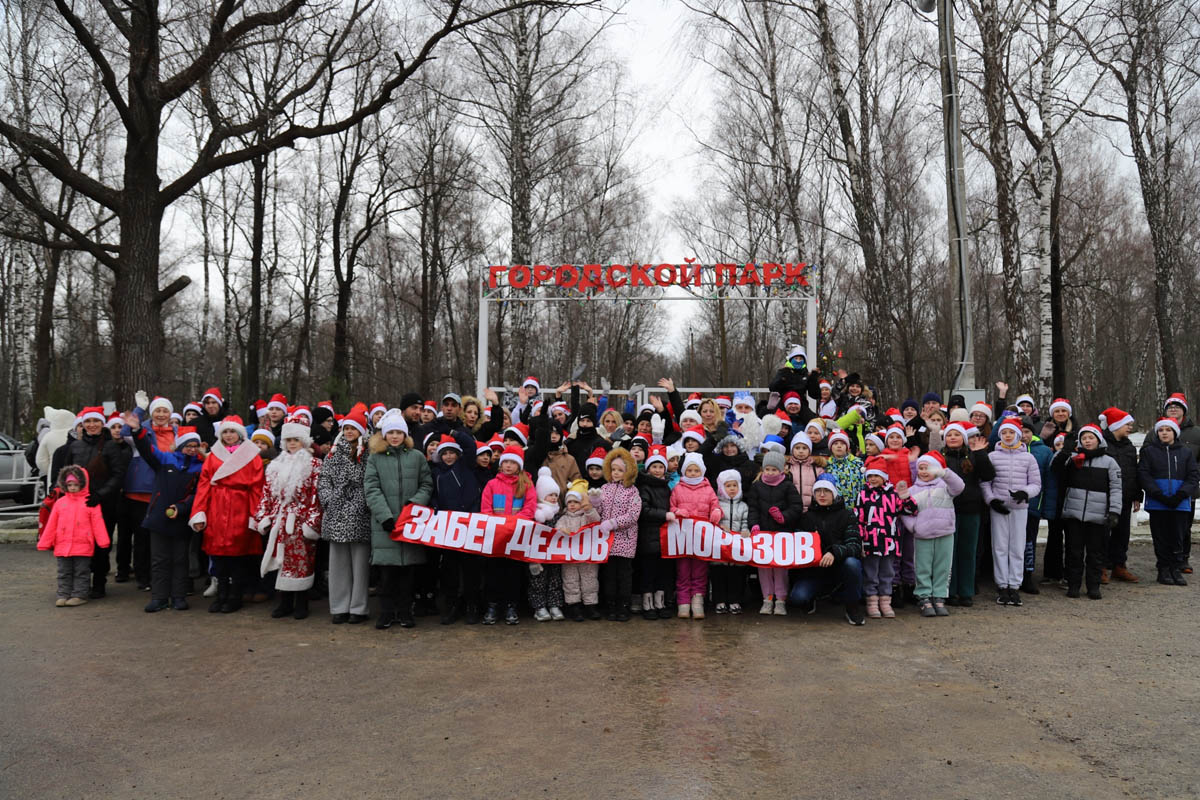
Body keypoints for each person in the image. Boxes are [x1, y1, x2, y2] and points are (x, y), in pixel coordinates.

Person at [127, 416, 204, 612]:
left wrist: (182, 507)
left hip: (182, 519)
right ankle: (159, 597)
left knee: (180, 559)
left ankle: (178, 597)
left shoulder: (201, 468)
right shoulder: (165, 460)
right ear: (180, 446)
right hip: (159, 517)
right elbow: (147, 450)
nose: (192, 449)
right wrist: (137, 431)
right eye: (188, 445)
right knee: (159, 560)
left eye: (195, 446)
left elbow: (198, 494)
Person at [189, 415, 265, 614]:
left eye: (232, 431)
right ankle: (222, 594)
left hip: (240, 506)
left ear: (240, 434)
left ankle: (235, 596)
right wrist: (199, 512)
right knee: (218, 555)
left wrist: (255, 515)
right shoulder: (213, 455)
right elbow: (204, 485)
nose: (229, 435)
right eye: (225, 432)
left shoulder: (252, 455)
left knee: (238, 556)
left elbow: (257, 487)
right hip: (217, 507)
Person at [365, 411, 433, 629]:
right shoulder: (375, 458)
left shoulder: (417, 457)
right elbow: (372, 489)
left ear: (405, 434)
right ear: (384, 434)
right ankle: (386, 613)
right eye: (391, 432)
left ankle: (405, 612)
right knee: (386, 574)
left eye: (399, 432)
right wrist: (385, 517)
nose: (395, 436)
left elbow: (426, 484)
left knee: (407, 575)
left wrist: (414, 505)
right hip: (385, 526)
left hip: (410, 523)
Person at [62, 406, 129, 599]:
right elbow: (66, 473)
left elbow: (118, 475)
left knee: (101, 545)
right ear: (83, 424)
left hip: (103, 504)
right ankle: (80, 583)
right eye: (88, 422)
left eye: (96, 421)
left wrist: (101, 494)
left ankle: (99, 582)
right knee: (80, 544)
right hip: (78, 505)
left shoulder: (111, 446)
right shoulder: (75, 447)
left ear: (102, 424)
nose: (92, 425)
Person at [1052, 424, 1122, 599]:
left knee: (1095, 553)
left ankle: (1093, 586)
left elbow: (1116, 488)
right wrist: (1065, 451)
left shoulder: (1109, 462)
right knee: (1073, 552)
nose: (1087, 441)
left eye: (1091, 438)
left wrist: (1114, 511)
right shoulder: (1073, 458)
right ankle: (1073, 585)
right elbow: (1055, 468)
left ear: (1099, 440)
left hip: (1098, 516)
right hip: (1074, 514)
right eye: (1084, 438)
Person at [317, 407, 373, 625]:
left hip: (360, 513)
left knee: (360, 566)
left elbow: (370, 480)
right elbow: (324, 478)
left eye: (353, 428)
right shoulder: (333, 452)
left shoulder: (368, 453)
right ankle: (339, 607)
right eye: (346, 428)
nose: (349, 432)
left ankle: (358, 607)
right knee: (338, 564)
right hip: (336, 512)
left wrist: (362, 503)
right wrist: (328, 499)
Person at [981, 417, 1041, 607]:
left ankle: (1014, 585)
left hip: (1019, 508)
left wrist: (1026, 493)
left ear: (1018, 435)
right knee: (999, 546)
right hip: (999, 508)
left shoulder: (1028, 458)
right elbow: (985, 483)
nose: (1008, 436)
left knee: (1017, 546)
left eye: (1011, 432)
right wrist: (991, 500)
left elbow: (1036, 483)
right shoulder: (992, 456)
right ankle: (1002, 585)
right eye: (1004, 433)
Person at [429, 430, 486, 624]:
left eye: (452, 452)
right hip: (449, 528)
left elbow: (470, 444)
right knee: (450, 570)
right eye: (444, 453)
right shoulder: (436, 473)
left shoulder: (466, 465)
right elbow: (433, 494)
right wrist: (435, 507)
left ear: (458, 454)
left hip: (469, 524)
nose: (448, 456)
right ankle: (452, 606)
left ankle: (472, 605)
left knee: (471, 569)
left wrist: (453, 432)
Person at [37, 466, 111, 607]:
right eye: (69, 485)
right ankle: (63, 594)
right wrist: (45, 542)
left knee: (81, 572)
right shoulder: (60, 503)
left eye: (76, 485)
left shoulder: (90, 503)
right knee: (63, 572)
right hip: (62, 545)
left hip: (83, 545)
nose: (72, 487)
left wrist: (103, 541)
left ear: (83, 484)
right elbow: (52, 524)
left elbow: (98, 523)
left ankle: (80, 595)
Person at [1138, 417, 1199, 586]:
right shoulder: (1149, 452)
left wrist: (1181, 494)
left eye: (1168, 430)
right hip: (1158, 502)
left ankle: (1175, 568)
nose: (1164, 433)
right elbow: (1144, 474)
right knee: (1161, 537)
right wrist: (1157, 494)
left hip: (1180, 502)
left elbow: (1193, 476)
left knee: (1178, 536)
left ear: (1175, 433)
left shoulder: (1186, 452)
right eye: (1161, 430)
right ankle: (1163, 569)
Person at [902, 451, 965, 617]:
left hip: (945, 532)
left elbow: (959, 486)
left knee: (943, 567)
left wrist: (944, 473)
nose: (924, 472)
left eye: (928, 468)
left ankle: (939, 596)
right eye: (921, 468)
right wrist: (914, 527)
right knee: (922, 567)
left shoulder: (945, 487)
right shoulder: (912, 491)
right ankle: (924, 597)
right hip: (922, 535)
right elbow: (905, 512)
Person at [480, 445, 536, 625]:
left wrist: (512, 524)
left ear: (519, 466)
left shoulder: (526, 485)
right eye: (506, 462)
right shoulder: (492, 484)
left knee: (513, 573)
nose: (509, 466)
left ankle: (511, 606)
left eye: (513, 462)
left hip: (515, 537)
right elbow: (486, 509)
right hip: (496, 537)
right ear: (501, 464)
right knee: (493, 572)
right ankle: (493, 606)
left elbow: (529, 509)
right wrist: (498, 526)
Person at [855, 456, 916, 620]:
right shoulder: (863, 494)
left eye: (877, 475)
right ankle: (871, 601)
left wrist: (905, 496)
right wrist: (861, 540)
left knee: (887, 572)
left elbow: (911, 510)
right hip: (870, 542)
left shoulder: (893, 494)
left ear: (884, 477)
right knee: (871, 573)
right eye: (870, 476)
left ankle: (885, 601)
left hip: (889, 542)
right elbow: (858, 519)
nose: (873, 479)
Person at [745, 448, 804, 616]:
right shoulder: (757, 486)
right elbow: (753, 508)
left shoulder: (788, 486)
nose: (770, 473)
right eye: (767, 469)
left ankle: (780, 599)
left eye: (774, 469)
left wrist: (783, 517)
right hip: (763, 534)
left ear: (782, 470)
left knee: (780, 568)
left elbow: (796, 507)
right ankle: (767, 598)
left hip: (781, 535)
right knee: (763, 567)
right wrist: (754, 525)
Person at [942, 422, 993, 606]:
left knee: (968, 551)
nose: (953, 438)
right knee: (950, 552)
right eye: (949, 435)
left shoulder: (973, 455)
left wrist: (980, 454)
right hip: (948, 509)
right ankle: (950, 591)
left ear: (963, 438)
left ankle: (966, 591)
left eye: (957, 435)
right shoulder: (940, 457)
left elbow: (988, 475)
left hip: (971, 509)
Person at [670, 452, 722, 619]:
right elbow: (671, 507)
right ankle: (683, 602)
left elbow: (715, 505)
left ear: (702, 471)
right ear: (684, 471)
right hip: (682, 538)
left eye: (696, 470)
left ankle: (697, 601)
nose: (693, 474)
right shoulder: (677, 488)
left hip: (701, 538)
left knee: (700, 570)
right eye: (690, 470)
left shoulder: (708, 489)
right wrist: (677, 511)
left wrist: (716, 512)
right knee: (683, 570)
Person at [594, 448, 642, 621]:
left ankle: (623, 606)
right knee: (609, 575)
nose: (615, 473)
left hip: (625, 540)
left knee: (624, 575)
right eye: (613, 469)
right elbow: (599, 512)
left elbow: (633, 515)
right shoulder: (604, 488)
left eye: (620, 470)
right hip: (607, 541)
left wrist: (613, 523)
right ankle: (611, 605)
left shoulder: (632, 491)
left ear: (628, 471)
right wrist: (595, 503)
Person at [1098, 408, 1140, 583]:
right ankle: (1100, 567)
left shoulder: (1129, 446)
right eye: (1127, 424)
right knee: (1102, 534)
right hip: (1105, 497)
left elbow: (1134, 472)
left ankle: (1119, 566)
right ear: (1116, 425)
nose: (1130, 428)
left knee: (1122, 534)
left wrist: (1137, 495)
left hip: (1126, 496)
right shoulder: (1101, 444)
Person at [635, 445, 675, 620]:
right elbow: (643, 510)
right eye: (654, 467)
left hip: (664, 537)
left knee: (663, 571)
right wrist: (664, 515)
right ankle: (647, 603)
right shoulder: (644, 487)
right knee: (648, 571)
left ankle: (660, 602)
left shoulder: (666, 487)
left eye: (660, 467)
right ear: (648, 468)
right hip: (648, 535)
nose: (657, 470)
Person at [1163, 394, 1200, 572]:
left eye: (1177, 406)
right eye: (1170, 407)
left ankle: (1183, 559)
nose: (1173, 409)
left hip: (1187, 488)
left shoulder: (1196, 433)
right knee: (1164, 526)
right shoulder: (1159, 430)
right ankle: (1165, 559)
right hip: (1163, 488)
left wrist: (1193, 474)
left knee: (1184, 526)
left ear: (1184, 410)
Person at [558, 480, 602, 621]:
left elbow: (596, 521)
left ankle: (591, 606)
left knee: (589, 580)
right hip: (569, 557)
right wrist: (561, 530)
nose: (572, 505)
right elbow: (556, 531)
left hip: (587, 556)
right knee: (570, 581)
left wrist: (588, 508)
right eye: (569, 502)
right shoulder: (563, 518)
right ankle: (574, 607)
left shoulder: (587, 516)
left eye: (576, 502)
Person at [529, 467, 565, 622]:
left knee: (555, 579)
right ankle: (539, 607)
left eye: (556, 495)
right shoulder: (535, 514)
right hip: (538, 555)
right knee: (538, 580)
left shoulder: (559, 514)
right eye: (550, 495)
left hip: (554, 555)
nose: (554, 498)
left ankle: (554, 605)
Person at [712, 469, 749, 615]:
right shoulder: (717, 505)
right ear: (722, 488)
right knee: (719, 575)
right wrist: (720, 527)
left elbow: (745, 522)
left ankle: (735, 601)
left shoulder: (743, 506)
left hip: (737, 550)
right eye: (728, 486)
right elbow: (713, 522)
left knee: (736, 576)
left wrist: (745, 531)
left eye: (735, 485)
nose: (732, 489)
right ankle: (719, 600)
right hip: (720, 549)